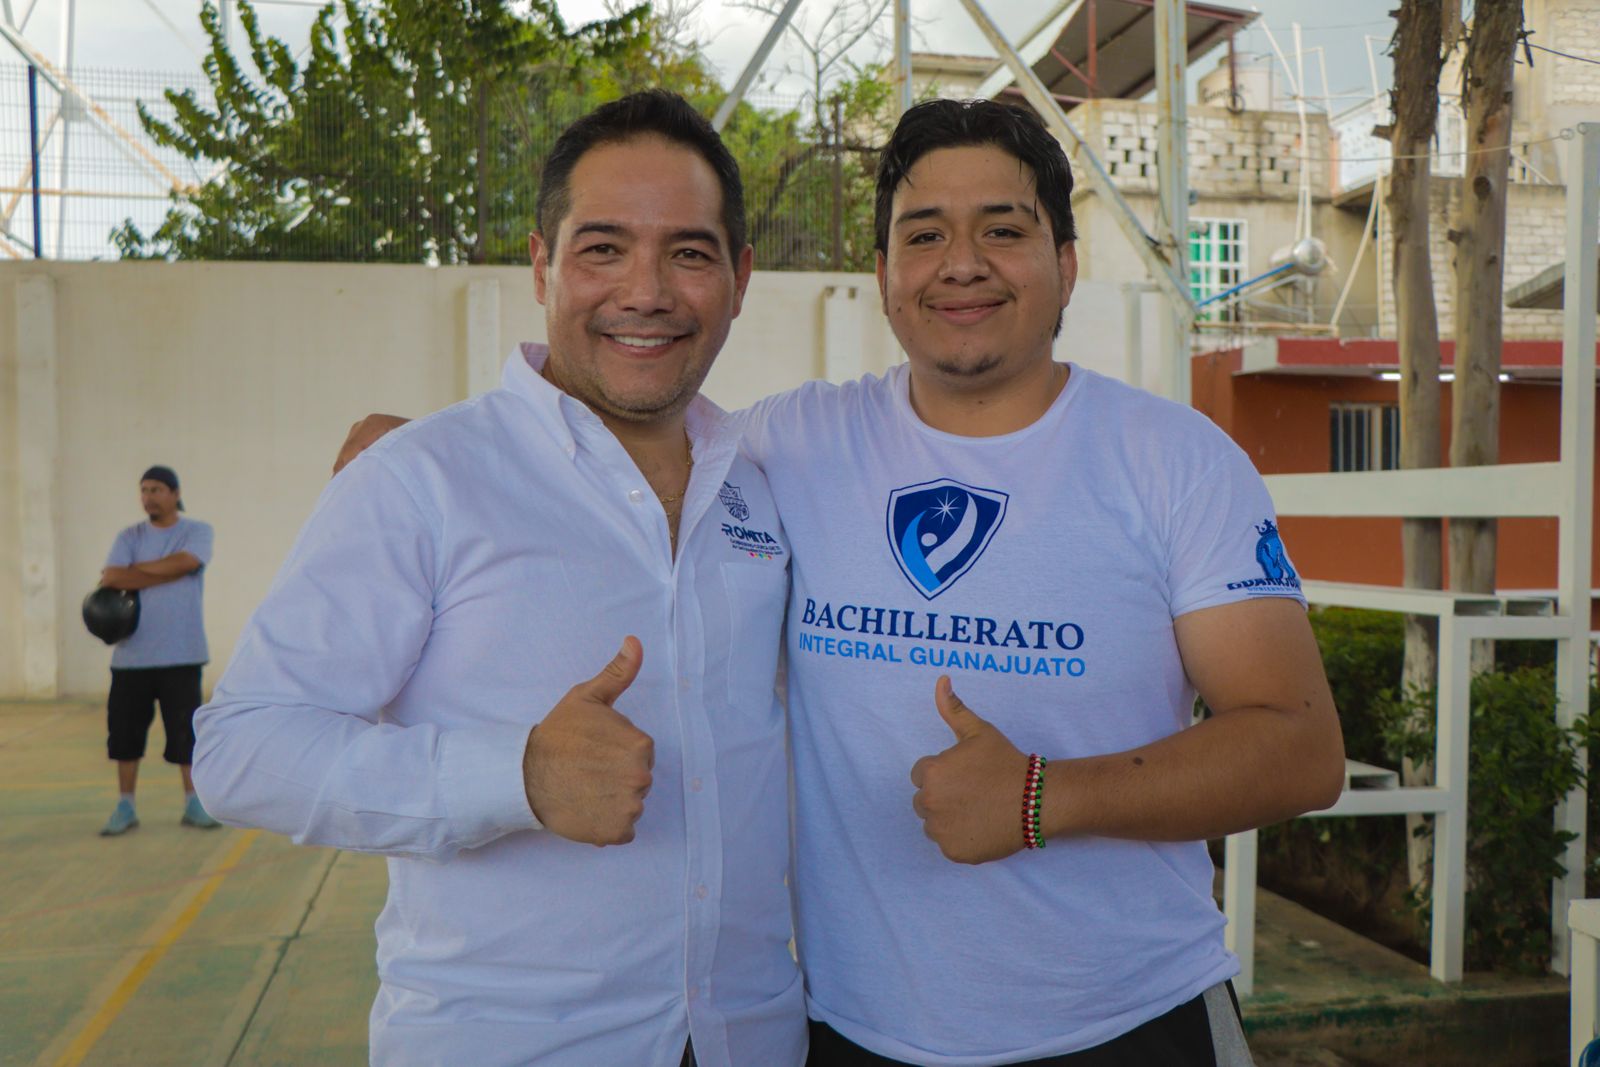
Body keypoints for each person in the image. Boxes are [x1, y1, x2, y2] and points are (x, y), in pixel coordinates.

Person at [335, 98, 1345, 1066]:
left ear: (1066, 264)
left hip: (1128, 1020)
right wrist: (422, 450)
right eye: (923, 234)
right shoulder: (792, 443)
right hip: (850, 1030)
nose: (961, 263)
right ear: (882, 272)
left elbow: (1299, 746)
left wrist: (1046, 796)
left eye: (1003, 230)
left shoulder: (1173, 459)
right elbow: (609, 437)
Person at [192, 92, 804, 1067]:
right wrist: (515, 775)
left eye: (688, 252)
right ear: (541, 265)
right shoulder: (421, 479)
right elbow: (243, 749)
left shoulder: (763, 482)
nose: (645, 291)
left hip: (752, 1035)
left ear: (739, 278)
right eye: (603, 248)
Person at [97, 465, 220, 835]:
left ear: (175, 493)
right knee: (125, 737)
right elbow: (111, 576)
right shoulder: (129, 535)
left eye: (156, 490)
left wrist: (136, 572)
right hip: (131, 657)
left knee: (186, 735)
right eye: (144, 490)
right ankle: (125, 806)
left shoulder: (196, 531)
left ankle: (194, 803)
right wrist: (168, 571)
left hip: (182, 654)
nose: (148, 497)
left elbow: (188, 561)